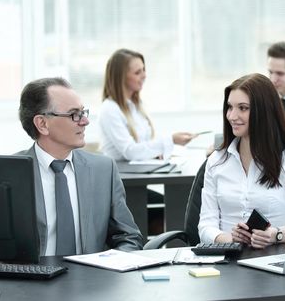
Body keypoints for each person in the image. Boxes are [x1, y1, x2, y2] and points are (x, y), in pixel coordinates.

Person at [18, 77, 143, 256]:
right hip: (28, 280)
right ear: (42, 124)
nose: (85, 121)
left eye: (83, 112)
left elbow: (129, 237)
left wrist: (107, 264)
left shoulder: (103, 170)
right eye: (74, 114)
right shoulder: (8, 173)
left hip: (89, 279)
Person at [198, 73, 285, 249]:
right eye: (230, 107)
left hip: (273, 259)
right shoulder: (217, 160)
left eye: (243, 108)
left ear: (264, 111)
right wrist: (230, 239)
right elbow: (205, 227)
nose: (232, 116)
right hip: (226, 262)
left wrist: (275, 234)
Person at [99, 48, 194, 161]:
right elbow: (131, 152)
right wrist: (171, 140)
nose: (144, 76)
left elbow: (144, 145)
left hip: (139, 173)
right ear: (121, 78)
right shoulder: (110, 109)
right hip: (122, 176)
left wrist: (158, 150)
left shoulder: (135, 106)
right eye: (137, 72)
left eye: (143, 70)